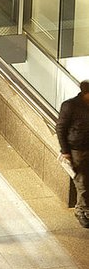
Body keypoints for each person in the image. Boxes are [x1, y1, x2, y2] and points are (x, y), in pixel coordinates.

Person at [56, 79, 89, 229]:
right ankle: (82, 210)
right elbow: (61, 128)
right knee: (82, 182)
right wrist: (65, 151)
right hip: (78, 149)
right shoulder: (70, 106)